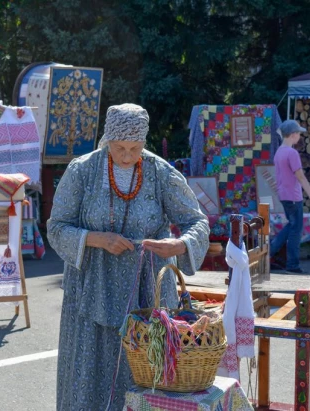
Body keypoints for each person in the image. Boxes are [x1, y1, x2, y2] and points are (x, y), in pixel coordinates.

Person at [47, 103, 209, 411]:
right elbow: (56, 227)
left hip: (147, 289)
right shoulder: (82, 170)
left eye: (134, 148)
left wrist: (179, 245)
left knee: (145, 368)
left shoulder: (160, 172)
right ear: (107, 139)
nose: (125, 155)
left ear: (144, 143)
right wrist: (96, 239)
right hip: (91, 289)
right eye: (119, 147)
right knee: (90, 367)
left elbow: (197, 221)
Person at [270, 119, 310, 273]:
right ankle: (292, 265)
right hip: (293, 196)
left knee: (292, 226)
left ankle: (270, 251)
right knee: (295, 230)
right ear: (292, 134)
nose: (299, 136)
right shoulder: (292, 153)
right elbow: (301, 177)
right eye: (298, 133)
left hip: (284, 195)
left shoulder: (279, 151)